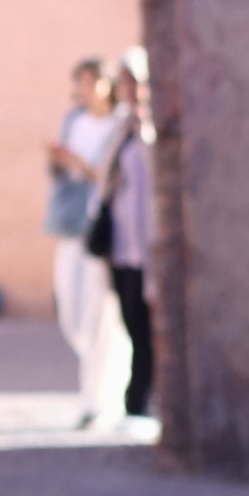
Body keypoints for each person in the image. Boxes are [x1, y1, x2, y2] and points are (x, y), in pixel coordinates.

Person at [44, 58, 121, 426]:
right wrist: (60, 161)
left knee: (98, 316)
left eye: (91, 82)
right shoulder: (73, 120)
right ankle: (95, 395)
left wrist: (78, 162)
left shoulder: (119, 125)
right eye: (81, 83)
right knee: (71, 313)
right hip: (72, 225)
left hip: (103, 230)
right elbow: (61, 174)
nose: (85, 90)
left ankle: (98, 400)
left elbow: (106, 175)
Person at [99, 50, 155, 420]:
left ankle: (140, 405)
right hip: (122, 246)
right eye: (123, 83)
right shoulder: (118, 130)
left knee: (151, 330)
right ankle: (134, 405)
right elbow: (102, 181)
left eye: (133, 82)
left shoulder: (153, 128)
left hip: (151, 248)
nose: (128, 90)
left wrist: (144, 129)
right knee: (133, 325)